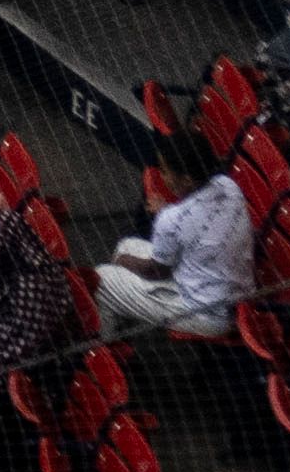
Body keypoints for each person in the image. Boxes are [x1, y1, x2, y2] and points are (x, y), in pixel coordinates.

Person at [90, 134, 248, 339]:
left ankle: (102, 351)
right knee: (126, 245)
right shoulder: (228, 185)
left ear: (187, 180)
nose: (162, 176)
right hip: (229, 292)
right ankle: (118, 326)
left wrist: (124, 262)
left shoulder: (172, 219)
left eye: (165, 171)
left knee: (101, 278)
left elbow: (155, 271)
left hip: (204, 313)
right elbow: (197, 222)